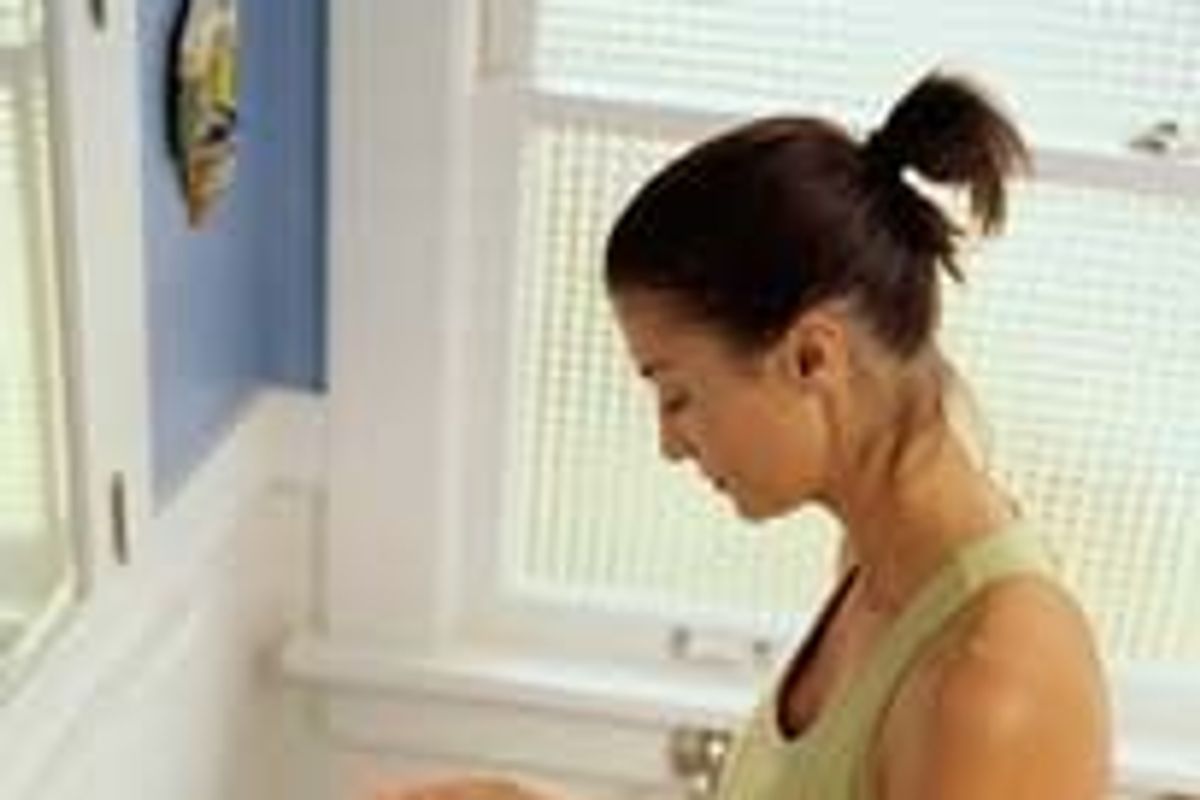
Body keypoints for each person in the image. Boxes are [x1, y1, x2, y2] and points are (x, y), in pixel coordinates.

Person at [383, 71, 1111, 800]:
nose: (669, 442)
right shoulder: (878, 564)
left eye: (678, 394)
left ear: (811, 358)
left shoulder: (993, 682)